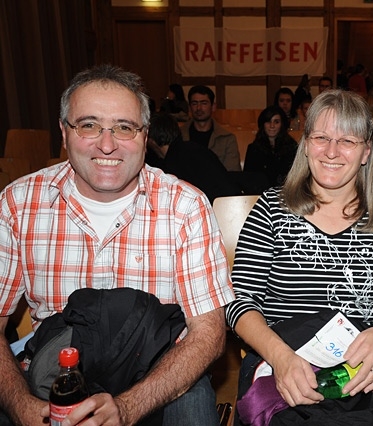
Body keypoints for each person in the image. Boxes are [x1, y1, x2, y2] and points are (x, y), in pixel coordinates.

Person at [0, 64, 235, 425]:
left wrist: (126, 409)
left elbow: (208, 335)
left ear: (145, 136)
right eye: (89, 125)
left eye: (124, 127)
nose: (107, 145)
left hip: (160, 371)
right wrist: (22, 408)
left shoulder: (185, 205)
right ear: (64, 132)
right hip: (58, 367)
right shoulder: (18, 203)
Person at [226, 89, 373, 424]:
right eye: (321, 138)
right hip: (284, 360)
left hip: (368, 366)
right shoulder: (271, 210)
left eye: (347, 141)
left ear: (366, 151)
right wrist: (281, 358)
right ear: (306, 144)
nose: (332, 152)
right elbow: (239, 303)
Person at [146, 112, 242, 202]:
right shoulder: (193, 149)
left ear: (151, 140)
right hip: (230, 204)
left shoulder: (176, 162)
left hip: (217, 207)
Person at [181, 85, 242, 171]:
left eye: (204, 103)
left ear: (213, 107)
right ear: (189, 108)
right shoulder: (179, 135)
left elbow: (232, 172)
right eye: (194, 104)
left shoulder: (227, 138)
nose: (199, 108)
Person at [243, 105, 298, 188]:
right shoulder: (253, 149)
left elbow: (296, 177)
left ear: (282, 124)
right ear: (263, 124)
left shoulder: (292, 147)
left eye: (276, 122)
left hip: (286, 192)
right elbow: (248, 179)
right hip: (260, 192)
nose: (272, 126)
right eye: (268, 121)